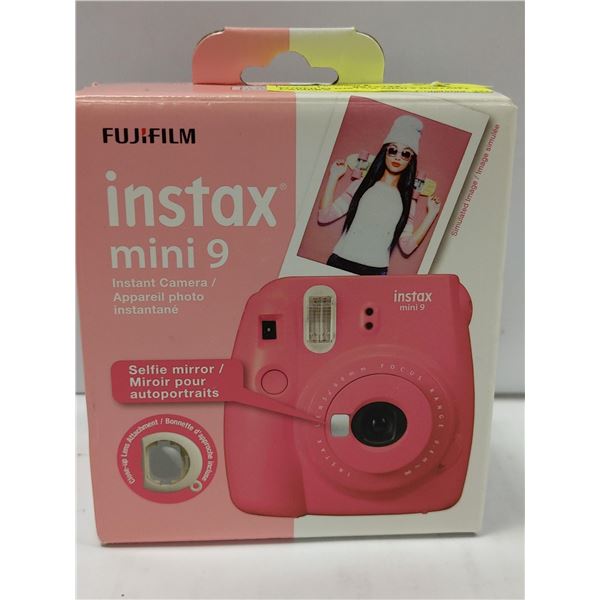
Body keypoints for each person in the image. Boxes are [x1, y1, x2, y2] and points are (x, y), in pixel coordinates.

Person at [318, 115, 441, 275]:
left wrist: (432, 214)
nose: (398, 157)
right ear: (385, 152)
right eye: (393, 150)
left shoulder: (408, 202)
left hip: (375, 272)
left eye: (405, 153)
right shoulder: (361, 185)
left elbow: (407, 246)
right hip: (340, 262)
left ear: (410, 160)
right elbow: (324, 216)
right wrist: (334, 177)